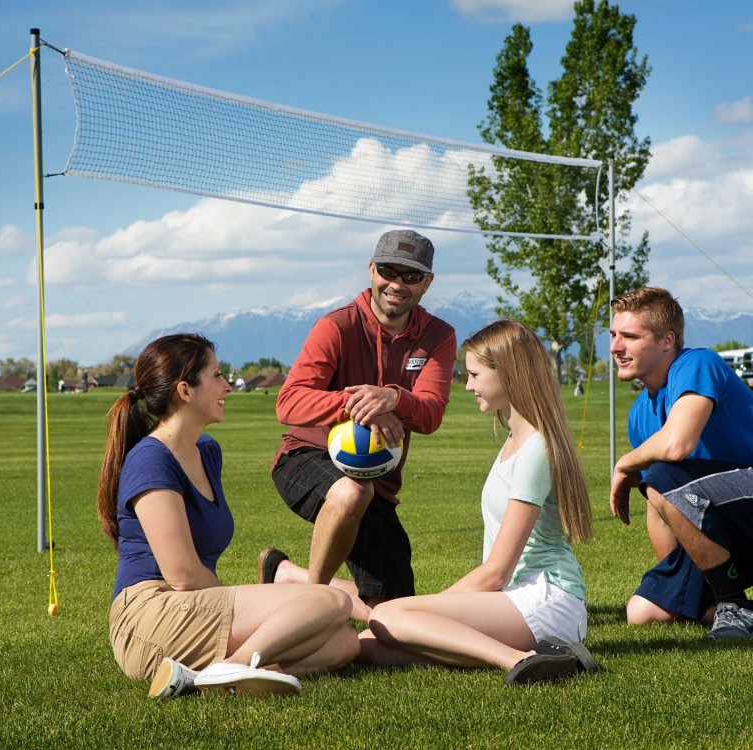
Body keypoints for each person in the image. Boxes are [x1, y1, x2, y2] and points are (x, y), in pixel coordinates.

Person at [97, 333, 359, 699]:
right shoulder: (150, 459)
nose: (228, 387)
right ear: (185, 391)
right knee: (332, 602)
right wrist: (246, 603)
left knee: (344, 643)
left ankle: (203, 678)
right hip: (150, 617)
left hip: (191, 608)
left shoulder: (207, 451)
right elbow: (183, 575)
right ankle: (232, 667)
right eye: (217, 375)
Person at [358, 320, 597, 686]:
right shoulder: (515, 440)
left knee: (386, 616)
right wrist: (428, 615)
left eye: (474, 375)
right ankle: (541, 656)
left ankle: (521, 659)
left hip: (546, 600)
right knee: (371, 646)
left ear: (509, 374)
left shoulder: (535, 450)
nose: (468, 386)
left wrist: (433, 607)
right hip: (515, 597)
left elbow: (497, 571)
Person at [262, 230, 457, 620]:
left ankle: (287, 576)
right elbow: (289, 402)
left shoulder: (439, 336)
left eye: (411, 276)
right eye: (388, 271)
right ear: (371, 270)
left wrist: (394, 398)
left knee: (394, 614)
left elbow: (431, 414)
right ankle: (311, 608)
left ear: (427, 283)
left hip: (377, 479)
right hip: (305, 457)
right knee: (351, 492)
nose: (397, 284)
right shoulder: (336, 326)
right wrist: (360, 405)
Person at [609, 287, 753, 638]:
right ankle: (723, 601)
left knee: (661, 474)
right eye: (613, 335)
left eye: (630, 336)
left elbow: (677, 444)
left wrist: (625, 464)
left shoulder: (698, 363)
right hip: (721, 529)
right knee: (643, 612)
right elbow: (659, 504)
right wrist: (681, 583)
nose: (615, 347)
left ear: (667, 340)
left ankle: (734, 605)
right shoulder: (639, 415)